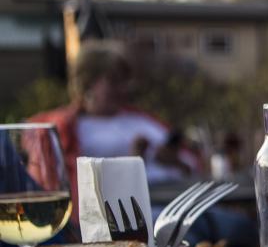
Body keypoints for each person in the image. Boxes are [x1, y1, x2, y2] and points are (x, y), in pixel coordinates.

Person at [29, 40, 191, 223]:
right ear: (87, 83)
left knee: (216, 222)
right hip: (122, 217)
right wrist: (133, 162)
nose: (123, 88)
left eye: (124, 80)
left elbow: (193, 166)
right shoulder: (65, 129)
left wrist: (174, 160)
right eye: (113, 81)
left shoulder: (142, 119)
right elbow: (64, 186)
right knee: (198, 226)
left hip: (176, 201)